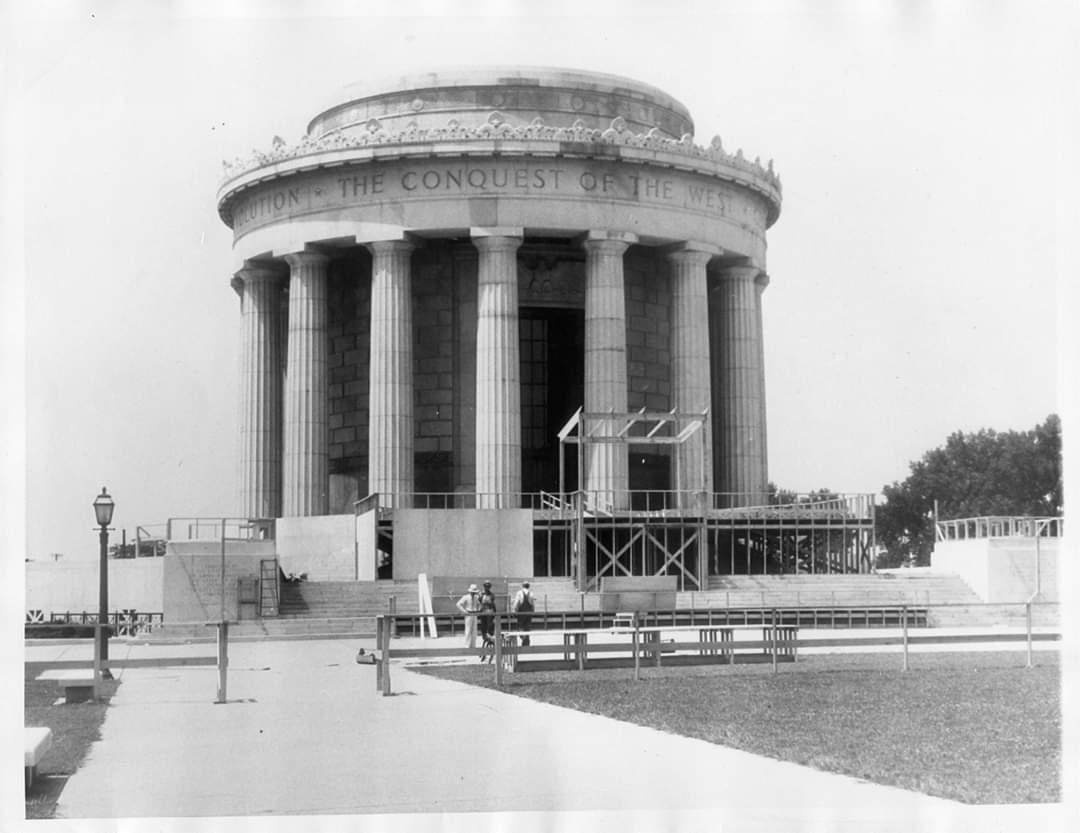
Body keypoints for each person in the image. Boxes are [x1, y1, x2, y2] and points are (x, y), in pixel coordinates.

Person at [456, 584, 481, 650]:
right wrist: (464, 611)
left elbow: (479, 604)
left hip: (474, 614)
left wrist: (478, 610)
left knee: (474, 630)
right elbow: (458, 604)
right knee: (468, 630)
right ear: (470, 592)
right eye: (473, 592)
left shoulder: (476, 597)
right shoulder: (466, 597)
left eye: (474, 592)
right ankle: (467, 646)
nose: (473, 593)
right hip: (468, 614)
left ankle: (473, 645)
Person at [477, 580, 498, 663]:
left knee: (490, 627)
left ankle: (490, 639)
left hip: (489, 612)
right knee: (483, 628)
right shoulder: (480, 594)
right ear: (484, 586)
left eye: (488, 586)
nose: (487, 587)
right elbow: (479, 603)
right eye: (486, 586)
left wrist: (495, 613)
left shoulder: (492, 595)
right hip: (483, 613)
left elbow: (493, 604)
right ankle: (485, 644)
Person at [512, 581, 535, 646]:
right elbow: (533, 605)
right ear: (528, 586)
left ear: (522, 586)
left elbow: (516, 603)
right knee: (527, 628)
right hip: (528, 613)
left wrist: (514, 611)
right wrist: (532, 612)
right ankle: (526, 642)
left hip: (521, 613)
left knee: (520, 627)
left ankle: (524, 638)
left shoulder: (519, 593)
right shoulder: (531, 593)